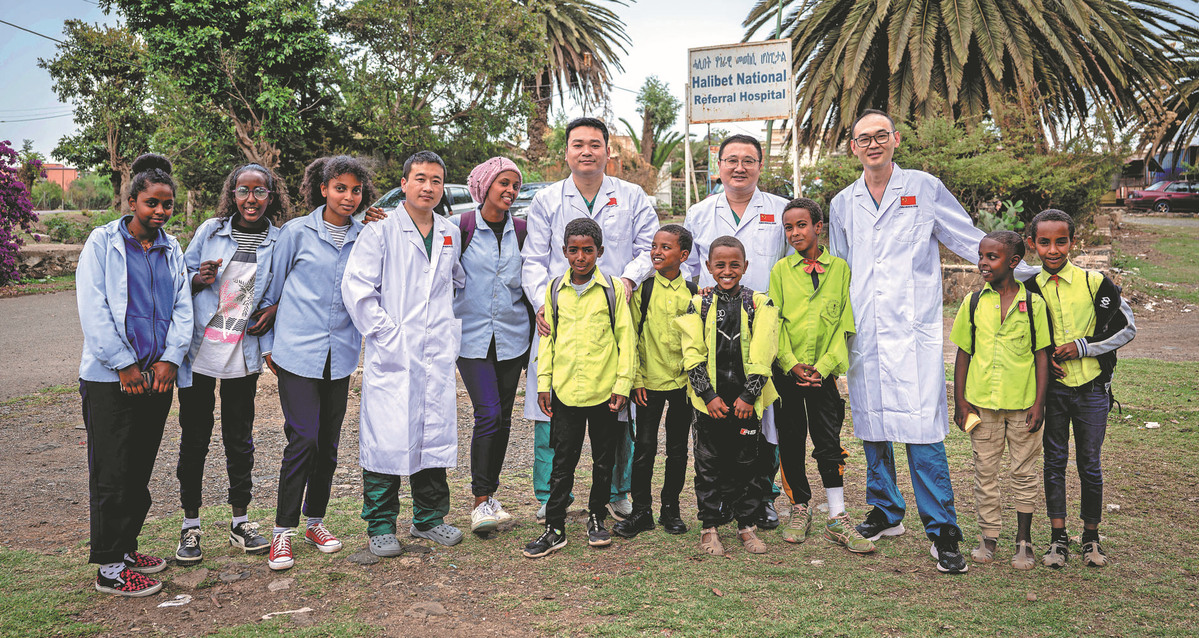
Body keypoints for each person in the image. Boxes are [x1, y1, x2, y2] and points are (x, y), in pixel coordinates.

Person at [828, 109, 1037, 574]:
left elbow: (969, 239)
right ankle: (885, 512)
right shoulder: (843, 203)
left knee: (922, 432)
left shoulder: (923, 187)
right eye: (864, 138)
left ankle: (943, 531)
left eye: (882, 135)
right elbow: (840, 269)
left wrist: (1030, 275)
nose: (873, 144)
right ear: (853, 147)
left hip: (912, 332)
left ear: (896, 139)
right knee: (872, 426)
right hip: (865, 333)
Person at [522, 117, 659, 523]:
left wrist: (628, 281)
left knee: (616, 412)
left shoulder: (632, 196)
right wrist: (541, 303)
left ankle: (618, 493)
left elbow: (648, 247)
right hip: (560, 317)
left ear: (607, 152)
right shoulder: (547, 199)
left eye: (595, 144)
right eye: (578, 144)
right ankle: (551, 497)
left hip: (611, 317)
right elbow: (532, 258)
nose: (587, 151)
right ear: (566, 152)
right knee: (551, 412)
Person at [78, 153, 192, 596]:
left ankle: (125, 547)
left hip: (157, 378)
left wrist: (170, 359)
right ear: (131, 201)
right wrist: (123, 364)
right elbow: (95, 309)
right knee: (111, 471)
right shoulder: (102, 243)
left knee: (138, 468)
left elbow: (182, 307)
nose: (160, 212)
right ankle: (109, 566)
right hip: (111, 380)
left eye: (167, 204)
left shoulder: (171, 247)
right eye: (151, 203)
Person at [342, 150, 466, 556]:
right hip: (393, 353)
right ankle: (380, 524)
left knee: (432, 435)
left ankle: (429, 519)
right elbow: (357, 289)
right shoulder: (379, 231)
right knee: (387, 438)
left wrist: (444, 327)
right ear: (404, 184)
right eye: (420, 178)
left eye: (436, 180)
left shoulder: (450, 231)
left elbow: (455, 282)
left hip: (434, 353)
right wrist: (388, 333)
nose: (428, 187)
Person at [257, 156, 375, 571]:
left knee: (327, 444)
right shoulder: (296, 233)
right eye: (340, 188)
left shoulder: (367, 235)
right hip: (296, 353)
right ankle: (281, 532)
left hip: (340, 355)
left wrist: (380, 223)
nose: (348, 196)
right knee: (302, 439)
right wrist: (267, 345)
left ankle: (315, 521)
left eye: (355, 190)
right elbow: (270, 291)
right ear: (323, 188)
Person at [175, 163, 287, 565]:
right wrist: (197, 279)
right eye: (244, 191)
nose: (251, 199)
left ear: (271, 196)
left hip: (243, 351)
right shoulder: (210, 230)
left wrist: (274, 307)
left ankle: (240, 522)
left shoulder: (280, 239)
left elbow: (286, 287)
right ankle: (190, 527)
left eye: (260, 192)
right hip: (200, 351)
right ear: (233, 194)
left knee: (239, 439)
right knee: (195, 439)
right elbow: (181, 275)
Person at [683, 133, 791, 530]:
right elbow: (689, 272)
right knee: (719, 421)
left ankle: (764, 497)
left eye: (748, 160)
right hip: (716, 334)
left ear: (761, 166)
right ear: (718, 166)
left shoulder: (779, 211)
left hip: (763, 332)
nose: (739, 167)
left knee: (763, 419)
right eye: (731, 160)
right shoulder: (698, 213)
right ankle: (725, 500)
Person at [1023, 209, 1136, 568]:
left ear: (1073, 242)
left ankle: (1091, 537)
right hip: (1052, 392)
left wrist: (1082, 346)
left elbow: (1126, 328)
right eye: (1044, 242)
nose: (1053, 250)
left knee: (1090, 463)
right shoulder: (1029, 287)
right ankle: (1058, 539)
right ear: (1032, 244)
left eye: (1061, 241)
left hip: (1091, 390)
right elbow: (1021, 336)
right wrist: (1040, 360)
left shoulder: (1094, 282)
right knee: (1053, 462)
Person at [522, 218, 636, 558]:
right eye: (574, 250)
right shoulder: (555, 289)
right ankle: (554, 527)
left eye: (588, 250)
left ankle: (597, 517)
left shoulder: (613, 289)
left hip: (604, 394)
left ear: (600, 252)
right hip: (565, 392)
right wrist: (544, 385)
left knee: (603, 462)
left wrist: (623, 386)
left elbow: (625, 341)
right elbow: (548, 342)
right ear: (564, 252)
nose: (581, 257)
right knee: (563, 461)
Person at [767, 198, 872, 554]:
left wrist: (824, 368)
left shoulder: (840, 269)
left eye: (801, 225)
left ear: (818, 227)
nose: (795, 233)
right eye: (788, 227)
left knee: (828, 443)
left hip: (823, 376)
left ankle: (838, 517)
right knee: (791, 441)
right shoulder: (781, 270)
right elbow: (775, 322)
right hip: (788, 373)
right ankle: (799, 509)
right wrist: (791, 363)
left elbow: (844, 324)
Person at [950, 230, 1051, 570]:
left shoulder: (1034, 305)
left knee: (1024, 473)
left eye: (991, 257)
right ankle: (988, 536)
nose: (983, 262)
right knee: (985, 473)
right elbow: (963, 353)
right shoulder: (974, 301)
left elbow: (1041, 356)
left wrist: (1039, 404)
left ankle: (1024, 541)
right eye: (981, 255)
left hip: (1024, 406)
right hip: (982, 405)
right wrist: (960, 401)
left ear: (1013, 262)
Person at [678, 236, 780, 556]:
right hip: (710, 403)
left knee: (746, 462)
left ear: (745, 267)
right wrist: (707, 395)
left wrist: (750, 396)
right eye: (719, 265)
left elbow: (765, 351)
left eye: (734, 264)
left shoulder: (759, 303)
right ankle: (709, 526)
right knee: (707, 464)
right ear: (708, 267)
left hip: (747, 403)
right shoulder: (698, 304)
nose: (727, 270)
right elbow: (692, 354)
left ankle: (746, 524)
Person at [454, 157, 532, 535]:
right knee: (487, 413)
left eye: (515, 185)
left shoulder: (523, 230)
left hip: (513, 337)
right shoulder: (460, 227)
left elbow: (531, 286)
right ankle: (480, 501)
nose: (510, 191)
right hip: (470, 338)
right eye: (503, 183)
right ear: (484, 185)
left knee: (502, 417)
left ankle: (490, 496)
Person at [613, 224, 697, 539]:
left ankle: (670, 509)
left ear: (683, 254)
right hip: (647, 385)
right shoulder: (644, 289)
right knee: (645, 447)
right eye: (654, 246)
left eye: (665, 247)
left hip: (682, 386)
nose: (657, 252)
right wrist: (635, 380)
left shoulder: (693, 292)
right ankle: (641, 511)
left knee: (677, 449)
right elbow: (630, 337)